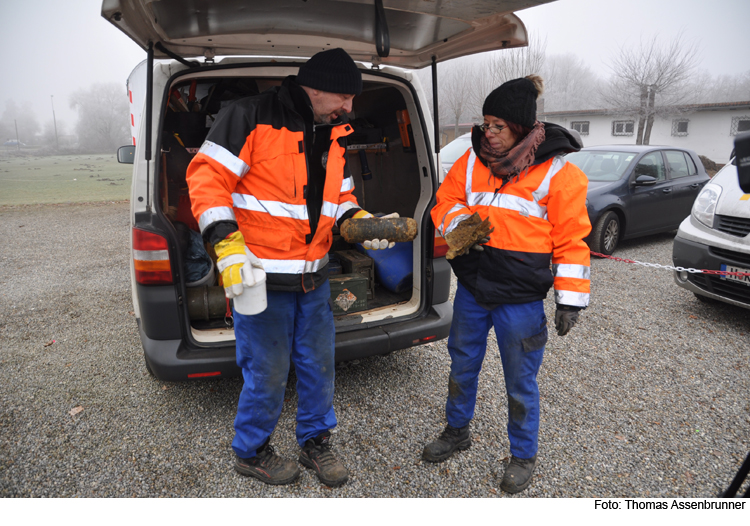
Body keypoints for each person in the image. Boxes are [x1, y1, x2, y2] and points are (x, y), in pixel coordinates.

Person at [186, 48, 395, 487]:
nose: (349, 108)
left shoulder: (335, 133)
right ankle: (251, 451)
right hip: (260, 281)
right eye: (343, 97)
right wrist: (228, 247)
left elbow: (340, 199)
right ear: (314, 87)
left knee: (319, 364)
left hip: (313, 280)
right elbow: (206, 180)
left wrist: (361, 224)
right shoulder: (249, 117)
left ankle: (316, 441)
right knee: (267, 370)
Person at [424, 75, 591, 494]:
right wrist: (460, 225)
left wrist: (570, 300)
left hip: (519, 299)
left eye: (498, 125)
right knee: (462, 363)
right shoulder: (470, 162)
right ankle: (456, 431)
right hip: (474, 289)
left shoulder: (560, 174)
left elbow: (571, 240)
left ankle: (522, 455)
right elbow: (443, 202)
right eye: (486, 124)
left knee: (520, 379)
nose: (489, 134)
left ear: (521, 126)